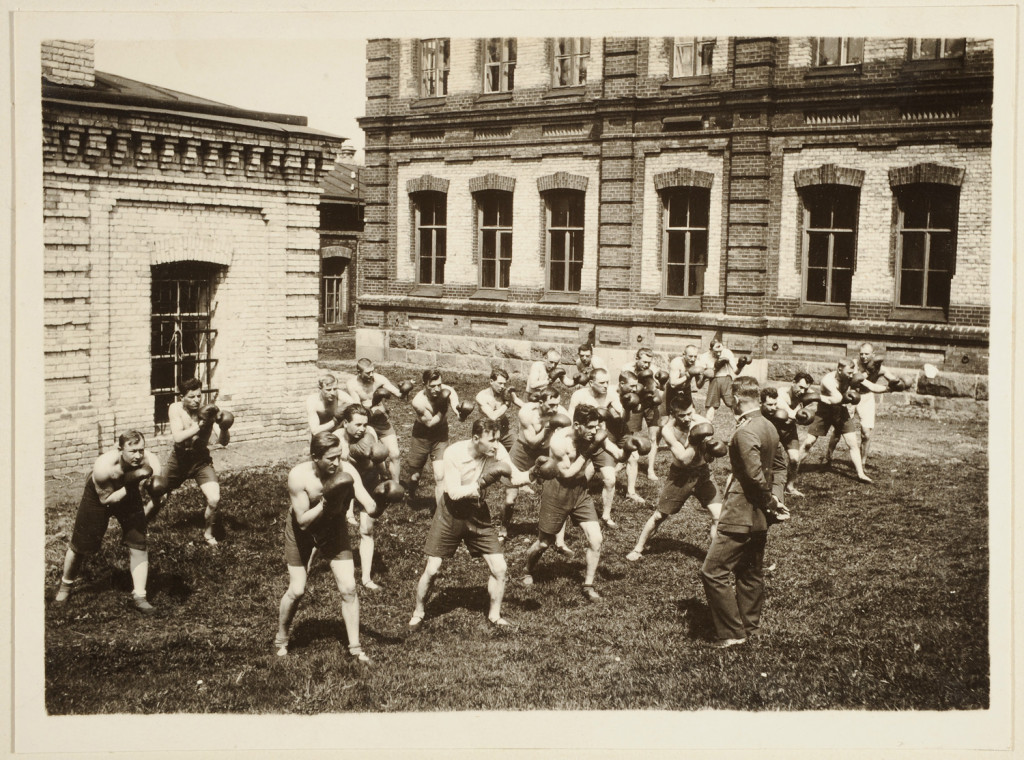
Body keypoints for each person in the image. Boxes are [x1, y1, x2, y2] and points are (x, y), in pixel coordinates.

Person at [408, 418, 536, 630]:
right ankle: (418, 613)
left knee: (500, 568)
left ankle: (494, 616)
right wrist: (483, 482)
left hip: (477, 512)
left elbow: (512, 477)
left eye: (497, 439)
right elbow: (453, 492)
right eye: (491, 440)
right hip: (451, 512)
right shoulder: (453, 454)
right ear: (476, 439)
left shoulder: (496, 449)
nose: (496, 445)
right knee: (433, 569)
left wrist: (533, 474)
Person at [275, 431, 387, 662]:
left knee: (349, 588)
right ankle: (281, 638)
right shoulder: (299, 476)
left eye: (338, 456)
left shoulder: (347, 470)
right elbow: (303, 523)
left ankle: (355, 648)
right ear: (315, 457)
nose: (337, 463)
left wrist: (384, 498)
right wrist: (326, 501)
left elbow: (369, 506)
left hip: (334, 530)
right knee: (297, 590)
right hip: (301, 533)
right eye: (330, 459)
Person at [699, 376, 788, 648]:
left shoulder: (745, 431)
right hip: (760, 516)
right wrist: (776, 498)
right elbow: (782, 465)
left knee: (713, 571)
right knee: (750, 572)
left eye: (730, 400)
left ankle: (731, 633)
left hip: (740, 513)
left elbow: (753, 476)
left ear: (737, 399)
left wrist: (770, 501)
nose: (729, 405)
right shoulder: (769, 426)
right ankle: (751, 627)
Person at [53, 431, 163, 612]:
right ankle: (66, 586)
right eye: (132, 451)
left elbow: (156, 504)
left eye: (141, 450)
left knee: (139, 542)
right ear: (120, 450)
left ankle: (140, 595)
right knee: (81, 545)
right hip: (100, 497)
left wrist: (155, 501)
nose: (138, 456)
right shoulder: (104, 467)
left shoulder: (150, 464)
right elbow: (107, 500)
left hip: (129, 493)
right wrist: (132, 484)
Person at [523, 404, 613, 601]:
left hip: (580, 492)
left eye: (596, 426)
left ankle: (588, 585)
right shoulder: (559, 441)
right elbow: (567, 474)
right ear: (577, 425)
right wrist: (589, 451)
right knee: (544, 543)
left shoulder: (593, 435)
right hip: (558, 492)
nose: (594, 431)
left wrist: (631, 447)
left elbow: (619, 453)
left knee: (596, 539)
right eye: (589, 427)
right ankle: (527, 569)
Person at [627, 397, 723, 561]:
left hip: (702, 473)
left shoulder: (701, 422)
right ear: (673, 414)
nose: (687, 418)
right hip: (680, 477)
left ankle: (716, 559)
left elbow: (707, 454)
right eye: (682, 415)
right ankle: (638, 548)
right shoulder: (667, 431)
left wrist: (711, 451)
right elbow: (683, 459)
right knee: (659, 516)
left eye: (689, 413)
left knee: (718, 516)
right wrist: (694, 440)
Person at [154, 377, 233, 546]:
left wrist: (224, 427)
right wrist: (201, 425)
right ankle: (140, 526)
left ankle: (208, 534)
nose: (197, 400)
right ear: (182, 396)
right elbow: (178, 437)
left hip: (201, 461)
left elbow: (223, 442)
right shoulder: (175, 409)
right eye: (192, 397)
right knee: (158, 494)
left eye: (199, 396)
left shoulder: (210, 411)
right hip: (179, 460)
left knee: (214, 499)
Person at [502, 387, 572, 550]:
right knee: (510, 498)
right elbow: (532, 441)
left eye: (557, 404)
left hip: (545, 452)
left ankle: (559, 540)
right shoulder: (527, 412)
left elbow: (569, 433)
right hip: (523, 450)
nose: (555, 409)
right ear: (540, 402)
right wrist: (549, 427)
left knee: (557, 493)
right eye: (551, 405)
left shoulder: (560, 412)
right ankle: (503, 529)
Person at [335, 403, 393, 590]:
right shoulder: (335, 440)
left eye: (364, 424)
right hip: (343, 485)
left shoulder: (370, 433)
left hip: (367, 482)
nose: (362, 429)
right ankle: (308, 567)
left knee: (367, 530)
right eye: (357, 425)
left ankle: (366, 579)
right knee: (326, 528)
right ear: (345, 423)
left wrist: (384, 475)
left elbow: (377, 460)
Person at [795, 359, 872, 484]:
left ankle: (860, 474)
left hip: (841, 410)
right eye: (849, 373)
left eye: (852, 372)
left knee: (852, 442)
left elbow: (870, 385)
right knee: (809, 442)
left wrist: (888, 388)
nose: (851, 375)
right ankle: (793, 467)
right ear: (839, 370)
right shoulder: (828, 380)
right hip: (825, 411)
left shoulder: (850, 376)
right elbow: (837, 398)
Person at [567, 368, 627, 524]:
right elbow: (569, 419)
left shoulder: (611, 394)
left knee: (610, 479)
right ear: (591, 383)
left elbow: (622, 416)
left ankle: (606, 516)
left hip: (599, 437)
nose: (606, 386)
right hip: (580, 439)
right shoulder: (579, 395)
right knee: (573, 477)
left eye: (608, 382)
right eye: (602, 383)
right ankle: (570, 507)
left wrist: (627, 406)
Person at [831, 343, 902, 468]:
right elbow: (855, 379)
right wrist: (866, 373)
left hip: (867, 397)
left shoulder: (881, 369)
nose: (863, 356)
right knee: (838, 430)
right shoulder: (853, 364)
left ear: (873, 355)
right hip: (850, 396)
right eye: (861, 354)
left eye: (866, 354)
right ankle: (828, 457)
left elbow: (894, 380)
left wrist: (898, 383)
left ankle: (862, 462)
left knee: (866, 433)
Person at [407, 368, 461, 513]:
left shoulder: (445, 390)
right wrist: (443, 410)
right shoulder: (418, 401)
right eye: (432, 386)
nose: (437, 389)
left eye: (439, 385)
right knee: (414, 476)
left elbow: (454, 401)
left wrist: (459, 412)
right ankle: (410, 492)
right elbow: (430, 423)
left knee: (440, 476)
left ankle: (440, 513)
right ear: (424, 384)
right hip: (422, 436)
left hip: (440, 436)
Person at [346, 358, 404, 482]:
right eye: (368, 373)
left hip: (382, 421)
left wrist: (405, 389)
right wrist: (374, 403)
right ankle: (380, 479)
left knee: (395, 454)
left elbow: (398, 394)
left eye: (373, 371)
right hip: (365, 424)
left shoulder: (379, 379)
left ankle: (396, 487)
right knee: (372, 456)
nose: (371, 375)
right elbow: (358, 410)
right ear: (358, 371)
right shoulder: (352, 384)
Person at [621, 347, 667, 482]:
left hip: (651, 401)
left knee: (654, 436)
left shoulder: (655, 369)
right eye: (644, 362)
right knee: (630, 434)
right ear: (637, 358)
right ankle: (628, 460)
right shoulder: (627, 368)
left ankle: (650, 469)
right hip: (635, 401)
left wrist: (659, 384)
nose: (647, 365)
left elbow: (663, 387)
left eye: (649, 362)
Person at [773, 372, 814, 497]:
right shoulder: (781, 393)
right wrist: (804, 416)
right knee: (767, 459)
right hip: (773, 428)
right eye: (800, 387)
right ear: (793, 382)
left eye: (805, 389)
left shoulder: (806, 395)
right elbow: (790, 414)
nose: (802, 391)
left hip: (789, 430)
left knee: (794, 459)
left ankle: (789, 487)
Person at [475, 368, 520, 454]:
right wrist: (506, 404)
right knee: (487, 456)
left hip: (505, 430)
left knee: (518, 448)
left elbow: (519, 403)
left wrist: (537, 406)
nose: (502, 386)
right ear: (491, 381)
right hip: (488, 430)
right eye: (500, 383)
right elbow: (493, 416)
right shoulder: (481, 396)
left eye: (504, 384)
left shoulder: (505, 392)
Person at [696, 338, 738, 423]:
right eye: (716, 351)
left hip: (726, 379)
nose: (719, 353)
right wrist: (706, 374)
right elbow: (699, 382)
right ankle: (707, 429)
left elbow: (736, 371)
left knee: (733, 404)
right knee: (710, 406)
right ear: (710, 350)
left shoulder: (727, 352)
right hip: (713, 381)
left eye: (720, 351)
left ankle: (741, 423)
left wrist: (741, 364)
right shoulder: (704, 357)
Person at [306, 373, 357, 438]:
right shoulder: (313, 401)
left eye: (335, 389)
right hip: (321, 436)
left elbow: (358, 409)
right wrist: (335, 421)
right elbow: (315, 431)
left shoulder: (341, 396)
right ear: (320, 388)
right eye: (328, 390)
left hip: (339, 433)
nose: (332, 393)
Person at [667, 344, 706, 415]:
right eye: (690, 356)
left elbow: (699, 386)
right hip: (671, 391)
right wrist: (688, 376)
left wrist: (704, 378)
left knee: (691, 413)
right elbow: (672, 384)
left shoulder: (697, 364)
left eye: (695, 356)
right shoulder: (676, 363)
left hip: (686, 389)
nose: (693, 359)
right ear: (684, 354)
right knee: (668, 416)